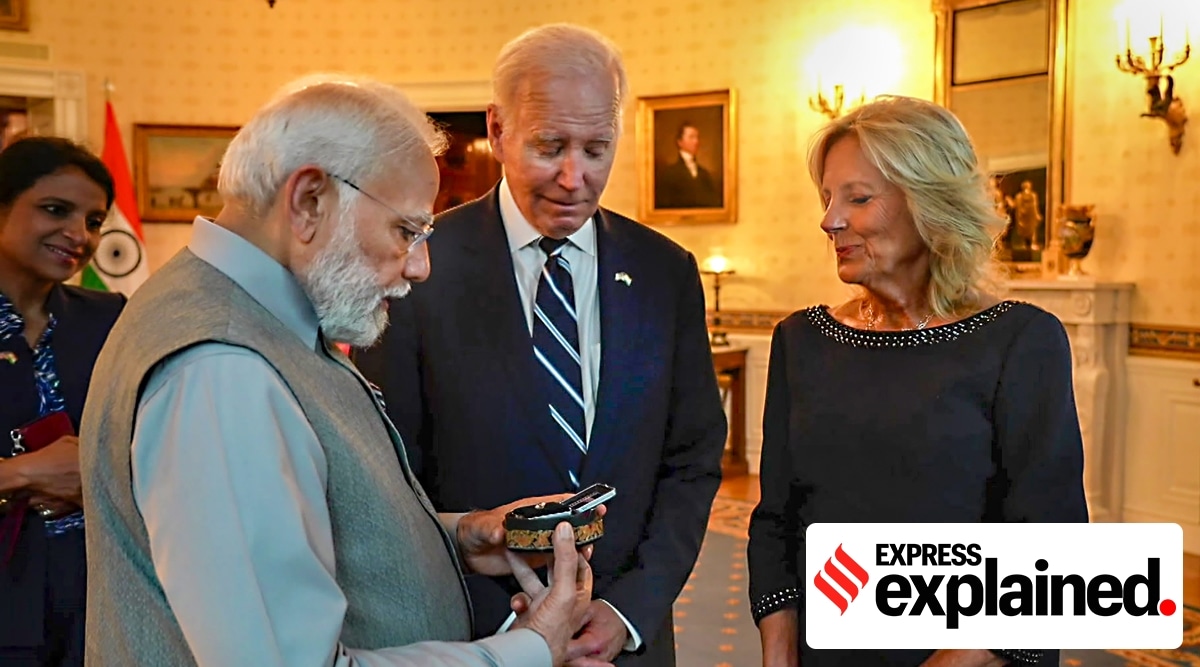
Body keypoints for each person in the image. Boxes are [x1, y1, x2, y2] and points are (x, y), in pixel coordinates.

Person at [78, 75, 596, 667]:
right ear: (309, 202)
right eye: (407, 230)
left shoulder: (257, 314)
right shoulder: (221, 373)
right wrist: (527, 651)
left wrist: (457, 537)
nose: (421, 266)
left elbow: (300, 526)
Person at [355, 24, 727, 667]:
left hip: (626, 645)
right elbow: (390, 483)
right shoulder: (416, 265)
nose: (574, 176)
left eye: (596, 149)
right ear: (498, 131)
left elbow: (691, 461)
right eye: (550, 146)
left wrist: (629, 611)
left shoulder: (666, 270)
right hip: (473, 636)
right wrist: (520, 628)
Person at [747, 96, 1087, 667]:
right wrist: (779, 657)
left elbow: (1049, 549)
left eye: (858, 197)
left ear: (930, 203)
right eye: (828, 197)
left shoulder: (1021, 342)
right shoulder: (800, 340)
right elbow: (776, 521)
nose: (829, 219)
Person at [0, 136, 124, 666]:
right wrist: (22, 473)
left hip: (96, 600)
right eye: (55, 210)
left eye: (94, 221)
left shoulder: (110, 318)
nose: (79, 235)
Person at [654, 122, 721, 209]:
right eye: (691, 137)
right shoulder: (670, 174)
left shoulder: (704, 174)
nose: (696, 141)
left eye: (697, 137)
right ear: (680, 142)